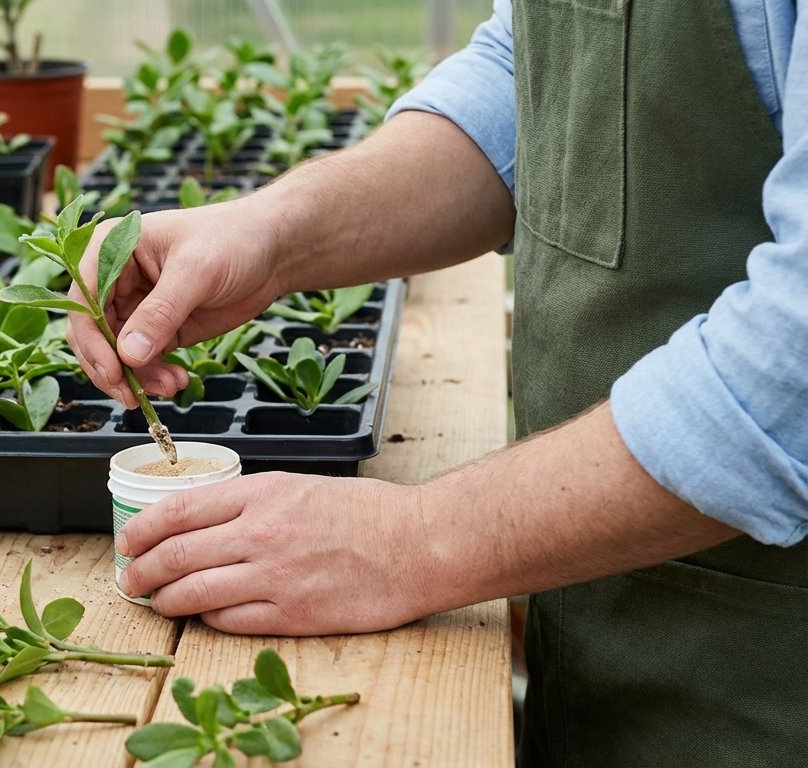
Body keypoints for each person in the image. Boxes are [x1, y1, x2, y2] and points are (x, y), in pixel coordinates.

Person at [66, 1, 808, 765]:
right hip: (594, 624)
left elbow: (795, 363)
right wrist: (273, 233)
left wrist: (411, 541)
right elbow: (536, 83)